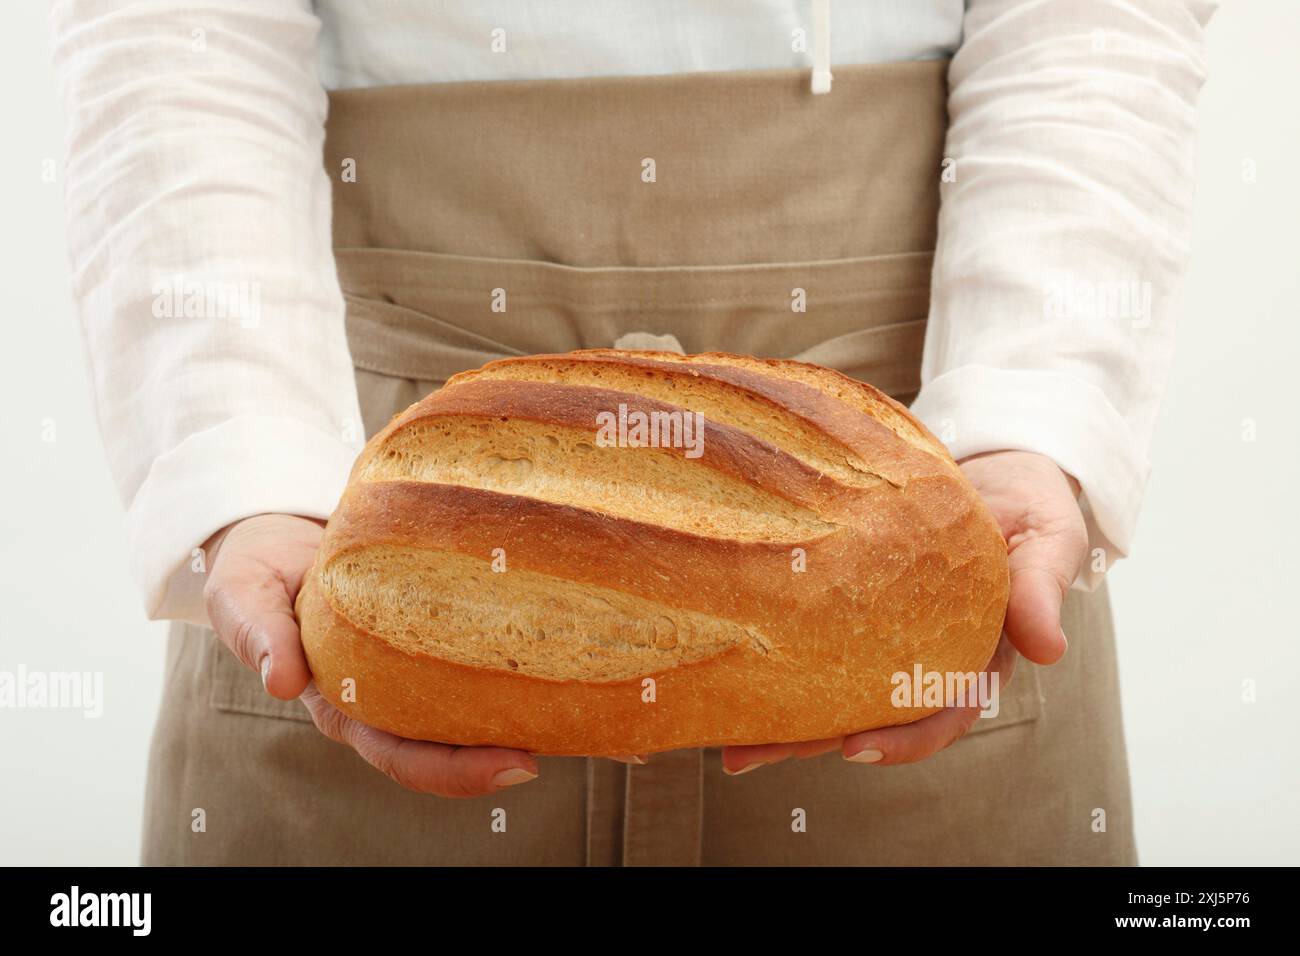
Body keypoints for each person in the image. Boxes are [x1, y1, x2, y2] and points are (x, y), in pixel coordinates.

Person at [50, 0, 1212, 865]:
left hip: (927, 464)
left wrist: (1035, 406)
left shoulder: (974, 497)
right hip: (347, 464)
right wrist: (246, 455)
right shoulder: (310, 512)